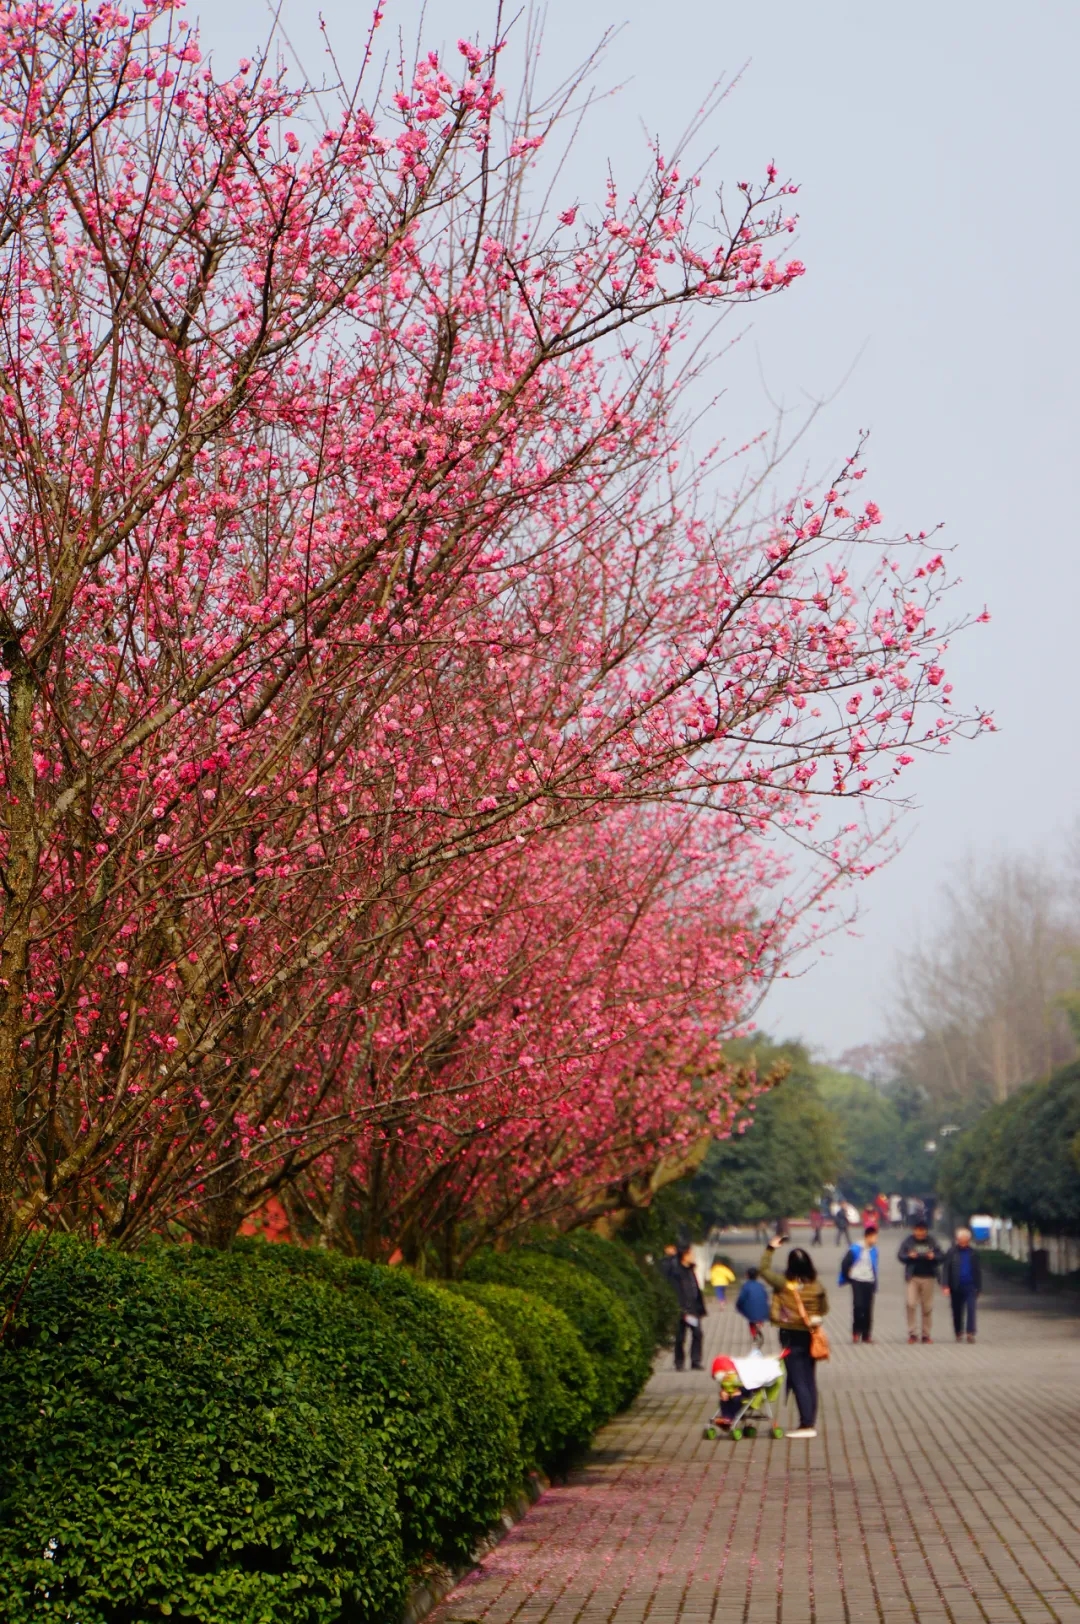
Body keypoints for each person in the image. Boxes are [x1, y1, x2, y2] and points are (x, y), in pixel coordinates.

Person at [758, 1237, 829, 1439]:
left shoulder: (783, 1284)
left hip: (790, 1335)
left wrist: (770, 1248)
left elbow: (763, 1270)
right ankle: (809, 1420)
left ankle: (806, 1424)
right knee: (809, 1378)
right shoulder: (817, 1286)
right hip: (811, 1334)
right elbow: (825, 1309)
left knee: (798, 1379)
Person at [898, 1219, 945, 1343]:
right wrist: (909, 1256)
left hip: (928, 1277)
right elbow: (900, 1255)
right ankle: (912, 1333)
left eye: (922, 1230)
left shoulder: (932, 1241)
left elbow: (941, 1256)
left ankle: (926, 1334)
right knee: (911, 1303)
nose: (920, 1233)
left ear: (926, 1231)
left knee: (927, 1307)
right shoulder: (908, 1241)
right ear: (914, 1230)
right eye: (918, 1230)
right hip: (913, 1277)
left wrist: (933, 1256)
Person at [838, 1222, 879, 1342]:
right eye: (874, 1237)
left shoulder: (874, 1250)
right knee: (858, 1306)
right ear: (868, 1236)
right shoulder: (855, 1249)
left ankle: (866, 1334)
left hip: (869, 1281)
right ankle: (856, 1332)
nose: (876, 1239)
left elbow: (875, 1266)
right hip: (857, 1281)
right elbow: (845, 1263)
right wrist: (848, 1276)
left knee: (868, 1308)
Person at [942, 1227, 983, 1342]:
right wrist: (945, 1285)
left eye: (965, 1240)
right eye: (960, 1240)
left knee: (971, 1308)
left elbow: (977, 1270)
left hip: (970, 1285)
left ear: (968, 1240)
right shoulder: (951, 1252)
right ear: (957, 1239)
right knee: (957, 1310)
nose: (963, 1242)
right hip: (955, 1285)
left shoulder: (973, 1253)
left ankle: (970, 1332)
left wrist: (979, 1287)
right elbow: (946, 1269)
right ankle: (958, 1331)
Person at [672, 1245, 706, 1370]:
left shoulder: (691, 1270)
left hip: (693, 1309)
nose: (693, 1256)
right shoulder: (677, 1272)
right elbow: (677, 1291)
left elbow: (695, 1289)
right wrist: (681, 1308)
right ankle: (679, 1362)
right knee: (680, 1337)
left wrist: (699, 1307)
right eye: (691, 1254)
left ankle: (695, 1361)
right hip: (682, 1309)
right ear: (684, 1256)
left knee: (698, 1333)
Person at [735, 1266, 770, 1346]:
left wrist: (738, 1306)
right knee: (758, 1314)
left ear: (747, 1275)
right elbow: (766, 1297)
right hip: (763, 1310)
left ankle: (754, 1335)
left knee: (751, 1318)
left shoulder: (746, 1286)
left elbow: (741, 1298)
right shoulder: (761, 1285)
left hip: (751, 1311)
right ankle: (759, 1323)